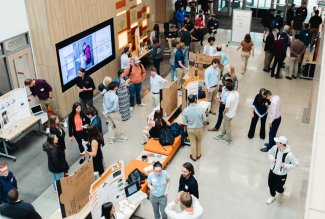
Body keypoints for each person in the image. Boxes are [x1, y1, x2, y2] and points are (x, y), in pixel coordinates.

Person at [266, 136, 299, 205]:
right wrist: (271, 157)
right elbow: (270, 152)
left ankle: (282, 191)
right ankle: (272, 196)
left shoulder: (289, 154)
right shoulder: (275, 147)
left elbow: (296, 164)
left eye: (277, 142)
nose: (276, 142)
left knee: (278, 188)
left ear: (281, 144)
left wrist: (286, 165)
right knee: (270, 184)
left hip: (281, 175)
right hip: (272, 171)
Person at [183, 94, 206, 161]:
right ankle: (198, 154)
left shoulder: (185, 110)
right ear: (195, 99)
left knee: (192, 142)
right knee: (199, 141)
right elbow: (204, 119)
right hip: (199, 128)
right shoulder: (200, 108)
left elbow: (184, 122)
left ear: (188, 101)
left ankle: (194, 157)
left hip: (190, 129)